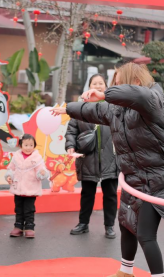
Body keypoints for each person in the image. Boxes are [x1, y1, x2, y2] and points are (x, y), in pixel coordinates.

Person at [51, 63, 164, 277]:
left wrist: (104, 94)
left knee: (145, 234)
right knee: (127, 224)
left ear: (135, 82)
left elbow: (132, 95)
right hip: (134, 176)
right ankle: (126, 272)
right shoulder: (116, 109)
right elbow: (92, 110)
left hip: (159, 177)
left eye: (118, 83)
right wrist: (67, 109)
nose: (114, 88)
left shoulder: (151, 100)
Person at [65, 74, 120, 239]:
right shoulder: (81, 107)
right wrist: (70, 146)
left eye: (100, 83)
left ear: (105, 86)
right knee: (87, 194)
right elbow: (72, 129)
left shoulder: (113, 105)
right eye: (94, 83)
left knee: (110, 194)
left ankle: (109, 226)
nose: (98, 86)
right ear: (89, 87)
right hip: (87, 157)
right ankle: (83, 224)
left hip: (110, 157)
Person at [4, 134, 50, 238]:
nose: (28, 147)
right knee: (18, 209)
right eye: (26, 145)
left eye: (31, 145)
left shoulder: (37, 158)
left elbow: (41, 170)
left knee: (29, 209)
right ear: (21, 145)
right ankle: (18, 227)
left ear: (34, 146)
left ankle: (29, 227)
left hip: (31, 188)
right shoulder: (16, 156)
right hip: (18, 188)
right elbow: (10, 168)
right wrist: (9, 176)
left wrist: (42, 173)